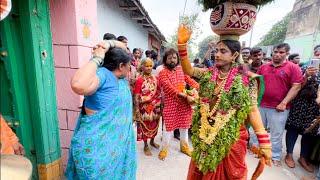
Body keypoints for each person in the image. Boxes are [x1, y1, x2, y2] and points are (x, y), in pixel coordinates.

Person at [177, 25, 271, 179]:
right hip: (206, 133)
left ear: (234, 55)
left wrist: (264, 143)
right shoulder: (209, 74)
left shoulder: (247, 79)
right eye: (216, 51)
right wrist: (182, 46)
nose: (217, 55)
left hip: (231, 136)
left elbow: (253, 110)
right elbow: (189, 70)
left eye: (223, 51)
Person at [66, 40, 136, 179]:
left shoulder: (120, 79)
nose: (130, 70)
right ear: (121, 66)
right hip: (97, 152)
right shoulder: (103, 75)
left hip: (115, 150)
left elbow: (124, 48)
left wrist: (107, 44)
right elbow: (78, 84)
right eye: (129, 66)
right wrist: (97, 58)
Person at [255, 43, 303, 166]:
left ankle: (275, 155)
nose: (277, 54)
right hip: (261, 105)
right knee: (258, 130)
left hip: (279, 108)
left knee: (276, 133)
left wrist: (284, 102)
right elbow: (256, 83)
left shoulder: (293, 67)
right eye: (275, 52)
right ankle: (257, 150)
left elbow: (296, 86)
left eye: (281, 52)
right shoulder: (264, 67)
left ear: (287, 53)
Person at [158, 48, 199, 160]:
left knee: (184, 127)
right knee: (168, 128)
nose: (172, 60)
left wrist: (199, 88)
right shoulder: (162, 73)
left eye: (174, 58)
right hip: (171, 104)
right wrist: (186, 96)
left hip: (184, 105)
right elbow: (168, 88)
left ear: (177, 59)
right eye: (170, 58)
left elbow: (189, 80)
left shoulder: (181, 70)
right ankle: (164, 149)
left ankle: (184, 147)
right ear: (165, 60)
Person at [284, 64, 319, 172]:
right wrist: (306, 75)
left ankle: (302, 158)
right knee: (293, 129)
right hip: (299, 105)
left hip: (314, 108)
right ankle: (289, 154)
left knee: (309, 133)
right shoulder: (304, 68)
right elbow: (296, 87)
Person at [134, 58, 161, 156]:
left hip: (155, 106)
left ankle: (152, 141)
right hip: (145, 108)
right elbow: (136, 96)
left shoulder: (156, 78)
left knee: (154, 124)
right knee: (145, 126)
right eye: (147, 66)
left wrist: (160, 104)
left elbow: (159, 92)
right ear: (142, 66)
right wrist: (137, 110)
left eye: (150, 66)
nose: (149, 68)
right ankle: (145, 145)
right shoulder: (139, 80)